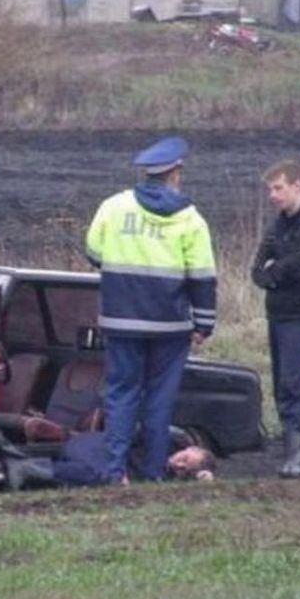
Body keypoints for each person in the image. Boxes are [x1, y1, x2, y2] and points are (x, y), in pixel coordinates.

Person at [85, 136, 218, 483]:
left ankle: (115, 471)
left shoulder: (113, 207)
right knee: (160, 399)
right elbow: (203, 276)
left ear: (145, 173)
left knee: (121, 394)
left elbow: (93, 253)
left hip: (121, 320)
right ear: (175, 174)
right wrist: (203, 323)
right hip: (169, 326)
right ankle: (153, 472)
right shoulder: (191, 219)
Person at [251, 160, 300, 478]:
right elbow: (258, 270)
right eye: (270, 189)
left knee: (292, 383)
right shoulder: (277, 226)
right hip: (277, 313)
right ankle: (297, 451)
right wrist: (274, 271)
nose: (273, 195)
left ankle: (297, 455)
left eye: (278, 188)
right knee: (284, 383)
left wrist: (276, 269)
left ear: (297, 186)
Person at [0, 427, 217, 490]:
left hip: (92, 458)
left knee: (84, 476)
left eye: (185, 469)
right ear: (188, 447)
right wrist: (119, 470)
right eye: (184, 457)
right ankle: (26, 468)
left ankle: (22, 465)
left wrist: (202, 480)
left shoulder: (171, 478)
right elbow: (128, 434)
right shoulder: (166, 440)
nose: (179, 463)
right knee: (104, 477)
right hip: (97, 447)